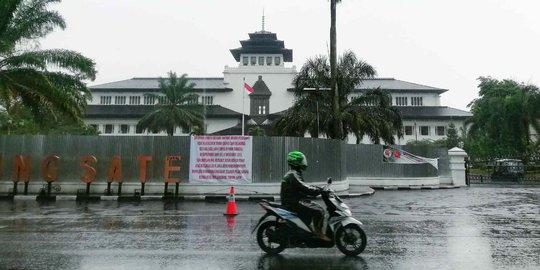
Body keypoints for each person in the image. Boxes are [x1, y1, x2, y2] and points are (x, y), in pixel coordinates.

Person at [280, 151, 331, 241]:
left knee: (316, 207)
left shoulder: (294, 173)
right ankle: (319, 233)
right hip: (293, 202)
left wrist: (318, 188)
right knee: (319, 211)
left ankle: (307, 231)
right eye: (301, 161)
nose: (304, 163)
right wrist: (318, 190)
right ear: (296, 162)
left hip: (295, 200)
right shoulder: (293, 174)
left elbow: (304, 186)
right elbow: (304, 187)